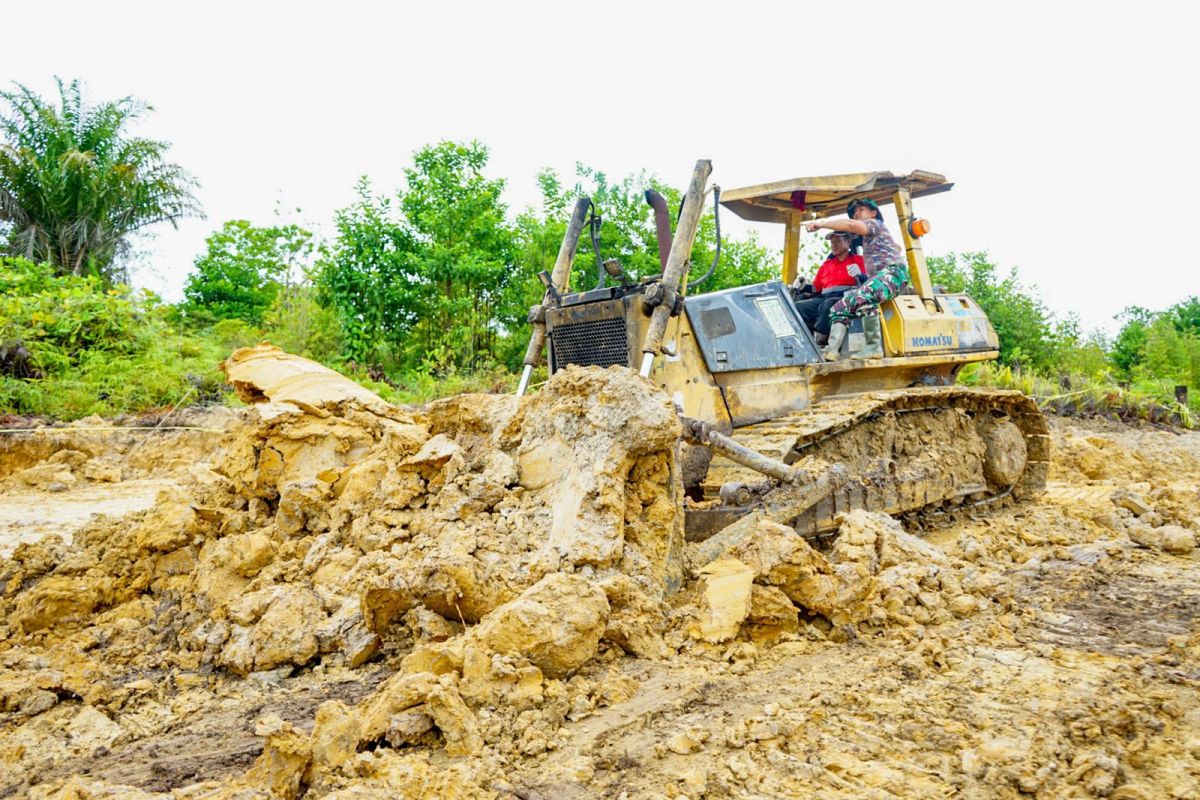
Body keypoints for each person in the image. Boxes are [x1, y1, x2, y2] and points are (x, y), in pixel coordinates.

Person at [803, 198, 908, 360]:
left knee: (855, 299)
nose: (856, 213)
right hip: (881, 278)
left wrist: (822, 223)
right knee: (839, 308)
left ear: (873, 213)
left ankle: (873, 347)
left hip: (892, 274)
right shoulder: (870, 238)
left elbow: (851, 225)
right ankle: (831, 351)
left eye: (861, 209)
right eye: (855, 211)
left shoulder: (875, 224)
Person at [793, 231, 864, 345]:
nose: (834, 245)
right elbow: (816, 288)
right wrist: (803, 286)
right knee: (797, 307)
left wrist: (860, 274)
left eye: (838, 241)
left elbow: (869, 282)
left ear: (848, 242)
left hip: (846, 298)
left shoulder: (859, 261)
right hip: (824, 298)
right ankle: (805, 342)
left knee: (828, 305)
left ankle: (821, 342)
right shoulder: (827, 265)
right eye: (832, 242)